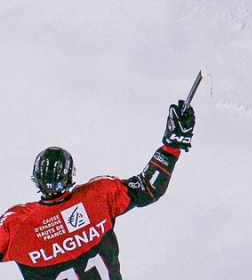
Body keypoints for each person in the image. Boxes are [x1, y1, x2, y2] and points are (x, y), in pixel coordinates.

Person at [0, 101, 195, 280]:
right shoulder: (98, 197)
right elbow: (148, 187)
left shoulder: (16, 225)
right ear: (70, 175)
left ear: (36, 179)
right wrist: (172, 145)